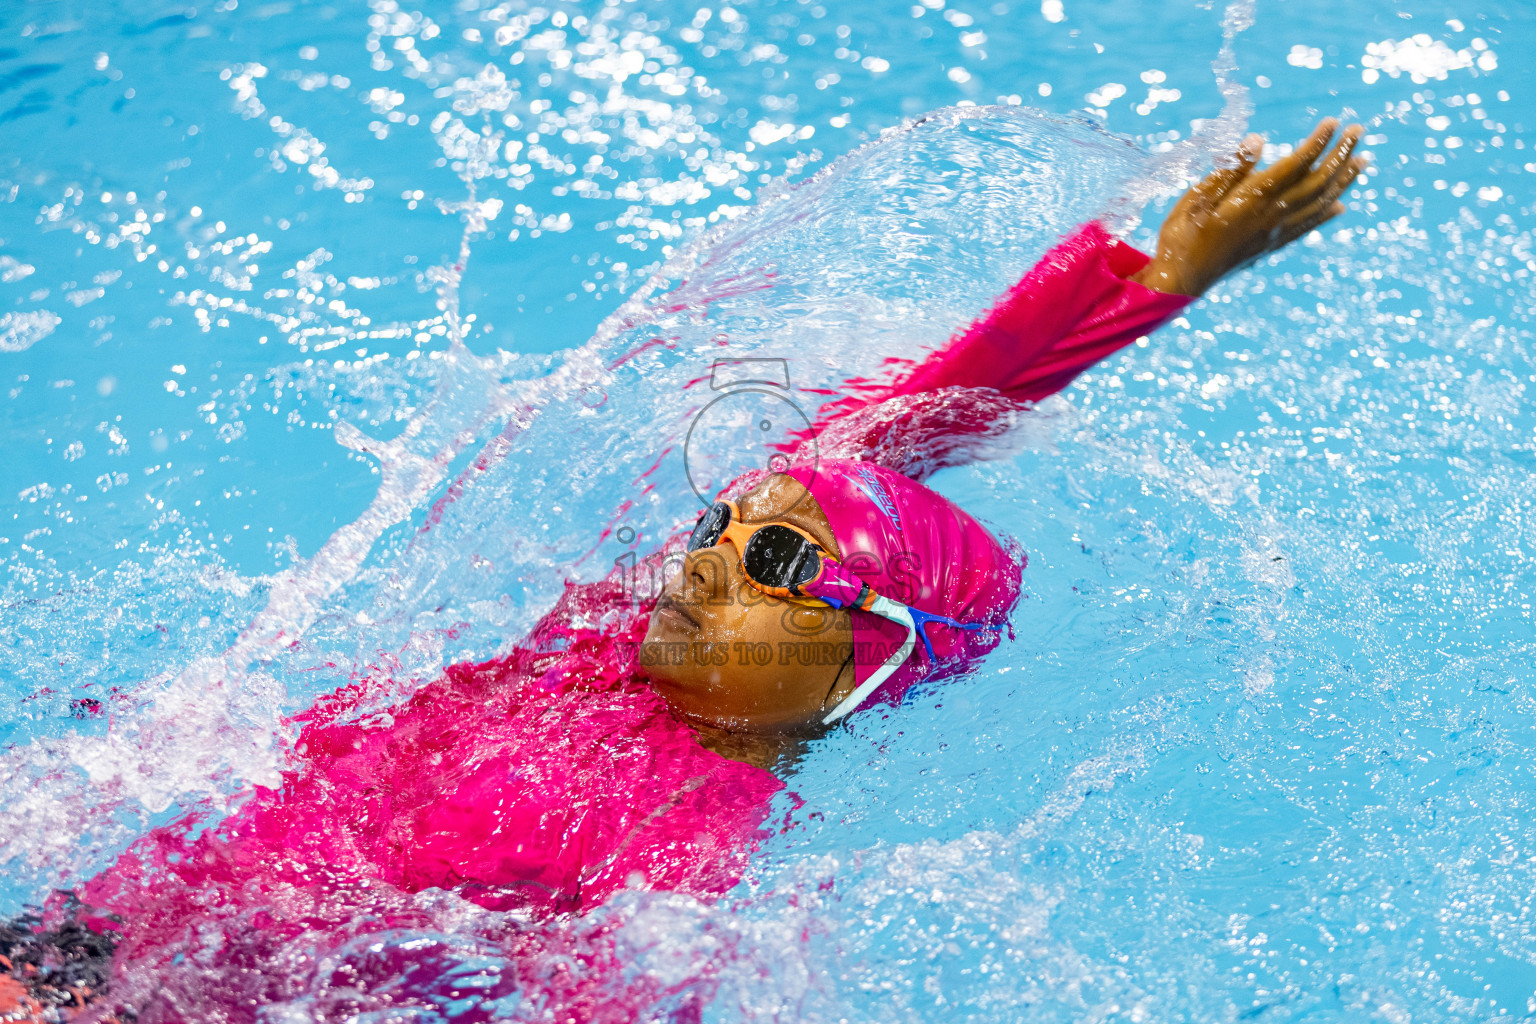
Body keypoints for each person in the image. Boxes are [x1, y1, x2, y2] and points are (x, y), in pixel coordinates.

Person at [3, 119, 1364, 1021]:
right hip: (83, 927)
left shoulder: (683, 849)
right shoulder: (610, 644)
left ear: (866, 656)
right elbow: (924, 415)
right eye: (721, 525)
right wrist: (1148, 280)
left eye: (771, 558)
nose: (705, 559)